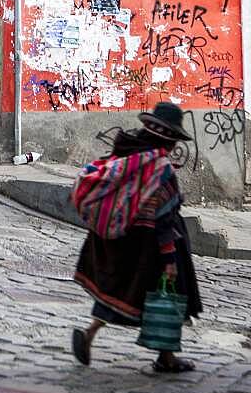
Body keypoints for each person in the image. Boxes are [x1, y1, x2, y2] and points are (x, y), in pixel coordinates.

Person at [71, 102, 203, 373]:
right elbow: (164, 217)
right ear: (169, 139)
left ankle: (89, 335)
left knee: (117, 292)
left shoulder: (127, 154)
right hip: (151, 246)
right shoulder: (159, 167)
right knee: (169, 295)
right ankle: (166, 357)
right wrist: (169, 257)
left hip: (122, 241)